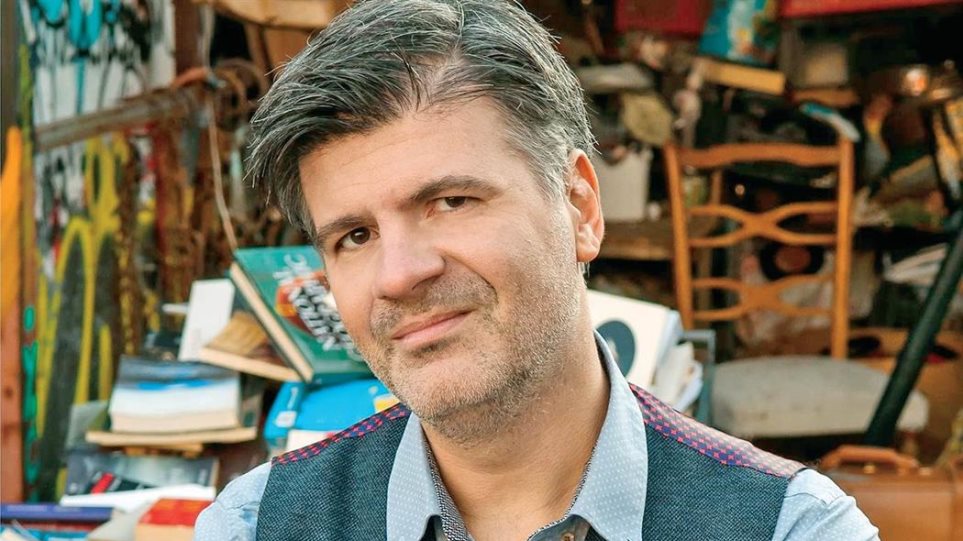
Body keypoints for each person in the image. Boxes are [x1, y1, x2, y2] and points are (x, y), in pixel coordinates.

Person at [194, 1, 880, 539]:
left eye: (450, 201)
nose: (398, 275)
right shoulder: (255, 525)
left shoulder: (789, 527)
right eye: (354, 236)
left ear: (580, 207)